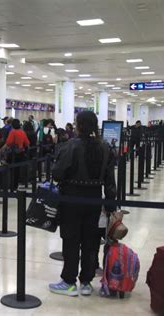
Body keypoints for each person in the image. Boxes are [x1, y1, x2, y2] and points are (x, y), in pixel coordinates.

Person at [49, 111, 116, 297]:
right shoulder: (105, 147)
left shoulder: (70, 146)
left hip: (71, 199)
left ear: (78, 125)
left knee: (71, 239)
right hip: (95, 199)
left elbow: (57, 173)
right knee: (91, 241)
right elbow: (110, 181)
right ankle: (86, 282)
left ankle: (69, 281)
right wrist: (111, 206)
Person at [0, 119, 30, 190]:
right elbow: (27, 144)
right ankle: (15, 186)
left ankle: (11, 186)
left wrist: (1, 150)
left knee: (11, 170)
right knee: (17, 170)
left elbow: (8, 143)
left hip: (13, 154)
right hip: (21, 153)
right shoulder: (22, 132)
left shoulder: (13, 132)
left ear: (12, 125)